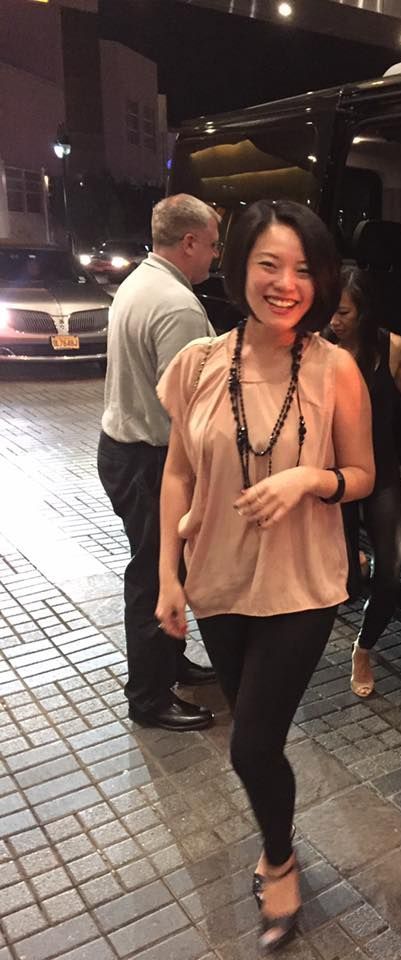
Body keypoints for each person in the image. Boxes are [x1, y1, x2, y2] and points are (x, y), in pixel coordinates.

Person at [155, 199, 374, 953]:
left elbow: (363, 475)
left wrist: (309, 480)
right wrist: (167, 577)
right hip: (217, 580)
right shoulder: (198, 364)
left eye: (304, 270)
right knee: (254, 736)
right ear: (239, 267)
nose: (286, 284)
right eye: (269, 265)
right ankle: (276, 843)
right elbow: (177, 474)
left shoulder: (336, 369)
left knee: (251, 744)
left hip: (301, 585)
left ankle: (278, 860)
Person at [97, 194, 221, 732]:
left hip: (122, 450)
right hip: (150, 459)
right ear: (189, 242)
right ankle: (148, 698)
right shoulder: (177, 306)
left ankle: (169, 665)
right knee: (154, 574)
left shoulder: (139, 282)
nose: (215, 255)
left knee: (156, 568)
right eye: (212, 244)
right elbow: (191, 405)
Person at [327, 265, 401, 698]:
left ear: (364, 312)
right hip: (334, 476)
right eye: (329, 311)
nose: (334, 321)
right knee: (342, 581)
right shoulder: (318, 349)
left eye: (343, 313)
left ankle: (364, 648)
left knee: (391, 574)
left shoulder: (391, 346)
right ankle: (352, 565)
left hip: (380, 471)